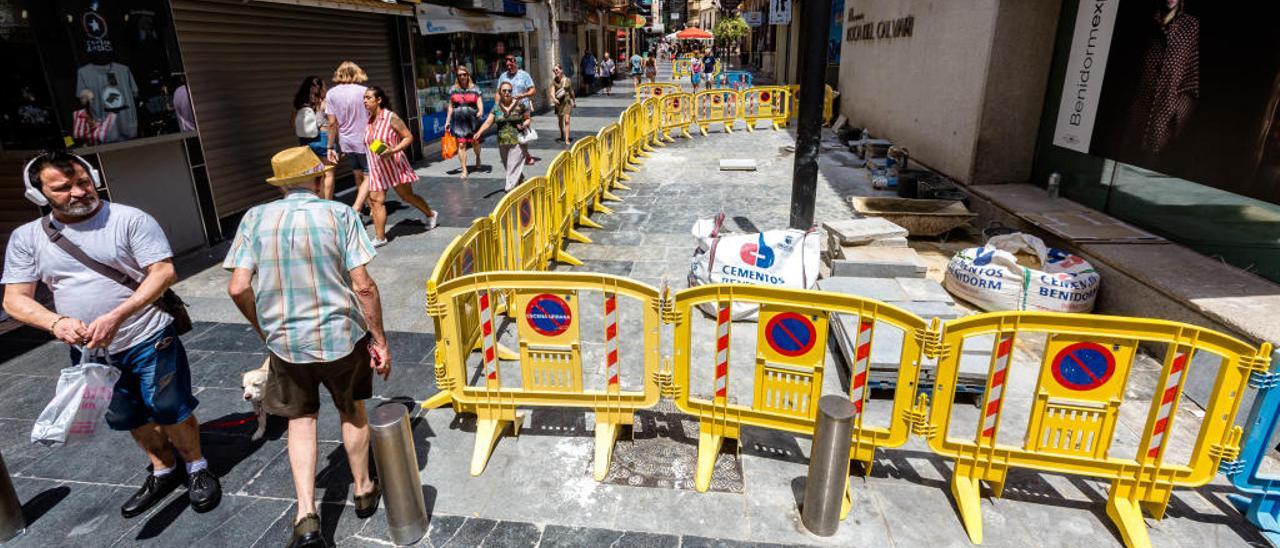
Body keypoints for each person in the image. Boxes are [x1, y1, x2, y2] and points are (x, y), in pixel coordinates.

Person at [2, 151, 221, 519]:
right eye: (63, 187)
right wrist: (56, 324)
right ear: (38, 195)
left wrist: (118, 315)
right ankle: (163, 469)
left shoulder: (128, 219)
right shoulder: (27, 238)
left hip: (149, 335)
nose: (77, 192)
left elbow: (163, 272)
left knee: (170, 407)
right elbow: (15, 300)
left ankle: (197, 467)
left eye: (83, 182)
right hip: (90, 351)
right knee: (126, 415)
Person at [224, 146, 390, 548]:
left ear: (281, 185)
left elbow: (238, 286)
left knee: (300, 422)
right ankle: (364, 490)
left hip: (285, 342)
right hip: (341, 338)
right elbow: (363, 286)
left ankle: (306, 516)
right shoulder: (340, 214)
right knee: (351, 410)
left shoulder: (254, 218)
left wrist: (263, 327)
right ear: (319, 180)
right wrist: (380, 339)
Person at [363, 86, 437, 247]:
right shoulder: (369, 120)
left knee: (406, 196)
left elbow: (408, 137)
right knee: (376, 200)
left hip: (394, 164)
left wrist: (393, 150)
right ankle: (380, 237)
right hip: (377, 167)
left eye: (368, 97)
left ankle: (430, 214)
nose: (365, 101)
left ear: (379, 100)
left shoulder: (390, 117)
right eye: (364, 98)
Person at [326, 61, 371, 213]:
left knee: (357, 174)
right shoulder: (364, 91)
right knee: (369, 175)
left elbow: (332, 123)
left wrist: (330, 147)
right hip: (365, 140)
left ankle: (366, 204)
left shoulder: (331, 93)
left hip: (346, 142)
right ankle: (362, 208)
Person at [476, 81, 531, 192]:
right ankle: (522, 181)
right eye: (504, 91)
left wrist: (524, 124)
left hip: (518, 141)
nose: (507, 93)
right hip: (502, 142)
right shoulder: (496, 108)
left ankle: (510, 189)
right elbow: (488, 122)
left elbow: (528, 119)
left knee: (512, 165)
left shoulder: (520, 105)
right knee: (508, 166)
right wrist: (479, 132)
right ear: (500, 93)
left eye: (509, 91)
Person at [292, 76, 338, 199]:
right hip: (323, 139)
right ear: (321, 88)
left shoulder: (299, 103)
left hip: (306, 141)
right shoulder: (325, 102)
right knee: (328, 174)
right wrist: (331, 146)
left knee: (315, 174)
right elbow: (332, 123)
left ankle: (318, 199)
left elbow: (293, 123)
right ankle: (328, 203)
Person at [444, 67, 484, 181]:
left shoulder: (475, 88)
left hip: (472, 120)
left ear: (468, 75)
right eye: (460, 75)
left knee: (475, 142)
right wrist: (447, 121)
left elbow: (479, 102)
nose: (462, 77)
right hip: (458, 120)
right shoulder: (453, 89)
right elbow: (450, 106)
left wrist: (480, 111)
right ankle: (464, 169)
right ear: (457, 77)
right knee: (461, 145)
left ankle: (478, 157)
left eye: (464, 74)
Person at [497, 55, 537, 166]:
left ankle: (525, 155)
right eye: (507, 65)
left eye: (511, 64)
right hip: (508, 109)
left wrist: (523, 95)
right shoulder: (503, 77)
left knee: (521, 132)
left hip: (522, 108)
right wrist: (497, 106)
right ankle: (524, 156)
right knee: (513, 132)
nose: (509, 67)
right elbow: (498, 92)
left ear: (516, 63)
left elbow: (533, 90)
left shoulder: (524, 75)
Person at [549, 64, 575, 146]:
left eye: (557, 70)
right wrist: (554, 99)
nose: (555, 72)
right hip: (559, 103)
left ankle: (567, 139)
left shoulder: (567, 80)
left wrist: (574, 100)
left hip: (567, 102)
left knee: (567, 120)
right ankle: (562, 134)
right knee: (560, 121)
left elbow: (571, 91)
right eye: (554, 70)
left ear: (561, 70)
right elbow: (552, 92)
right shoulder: (554, 81)